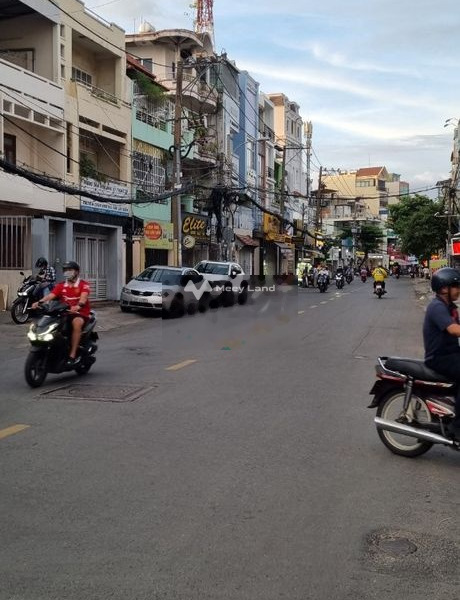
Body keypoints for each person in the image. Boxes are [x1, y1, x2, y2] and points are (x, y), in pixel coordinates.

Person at [423, 267, 460, 440]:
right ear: (444, 288)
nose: (458, 290)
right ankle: (457, 425)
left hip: (451, 354)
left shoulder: (450, 307)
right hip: (439, 358)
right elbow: (453, 330)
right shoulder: (437, 307)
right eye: (456, 286)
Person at [31, 261, 90, 367]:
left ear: (76, 272)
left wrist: (78, 306)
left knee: (77, 323)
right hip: (64, 313)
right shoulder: (61, 285)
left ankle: (72, 354)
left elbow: (83, 298)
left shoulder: (83, 285)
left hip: (79, 313)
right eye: (65, 270)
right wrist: (39, 302)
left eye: (70, 270)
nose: (67, 272)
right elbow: (51, 296)